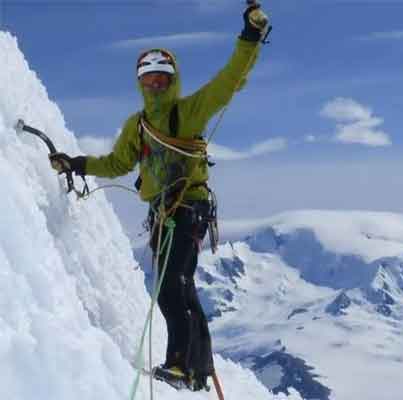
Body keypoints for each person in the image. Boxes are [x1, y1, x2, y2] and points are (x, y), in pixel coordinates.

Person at [48, 3, 269, 392]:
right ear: (140, 82)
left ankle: (182, 365)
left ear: (172, 81)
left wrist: (249, 37)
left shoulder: (188, 113)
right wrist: (77, 164)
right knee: (180, 285)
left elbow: (229, 80)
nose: (154, 85)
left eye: (161, 78)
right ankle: (197, 366)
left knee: (173, 284)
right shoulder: (137, 125)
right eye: (148, 78)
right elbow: (118, 162)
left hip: (187, 208)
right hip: (165, 212)